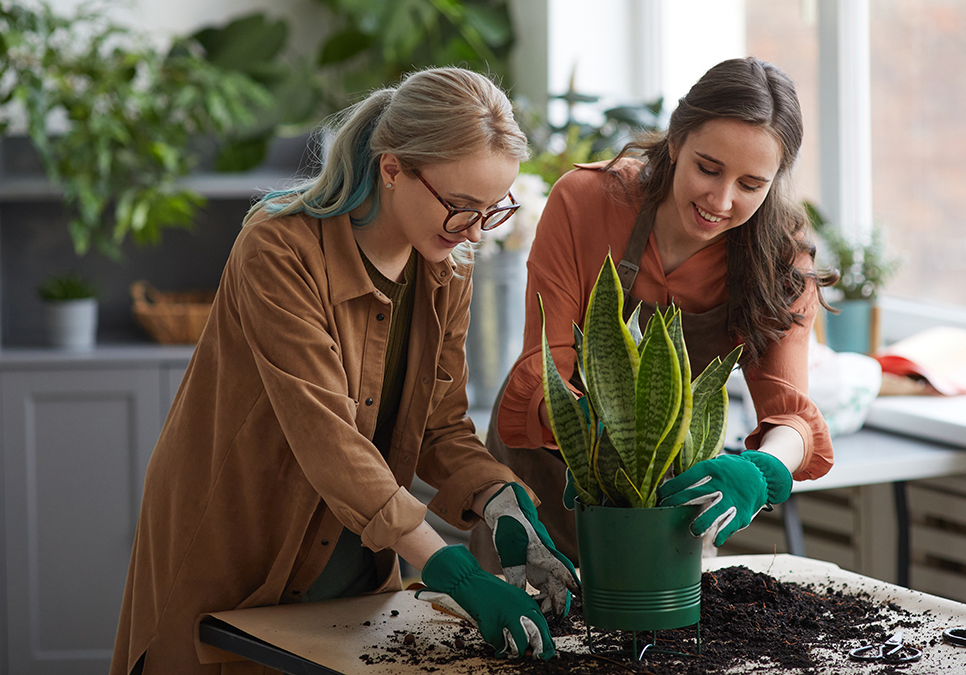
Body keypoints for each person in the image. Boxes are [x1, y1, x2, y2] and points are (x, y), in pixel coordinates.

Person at [111, 67, 578, 675]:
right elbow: (328, 438)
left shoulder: (448, 268)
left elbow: (440, 428)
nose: (472, 230)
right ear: (392, 168)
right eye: (461, 207)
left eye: (493, 211)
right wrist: (457, 571)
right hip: (239, 555)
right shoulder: (277, 250)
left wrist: (501, 503)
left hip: (358, 558)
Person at [470, 57, 836, 570]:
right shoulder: (586, 202)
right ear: (675, 141)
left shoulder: (781, 257)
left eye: (751, 184)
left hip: (665, 509)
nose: (721, 199)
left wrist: (762, 468)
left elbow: (792, 414)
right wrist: (604, 445)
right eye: (707, 168)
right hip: (540, 491)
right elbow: (542, 371)